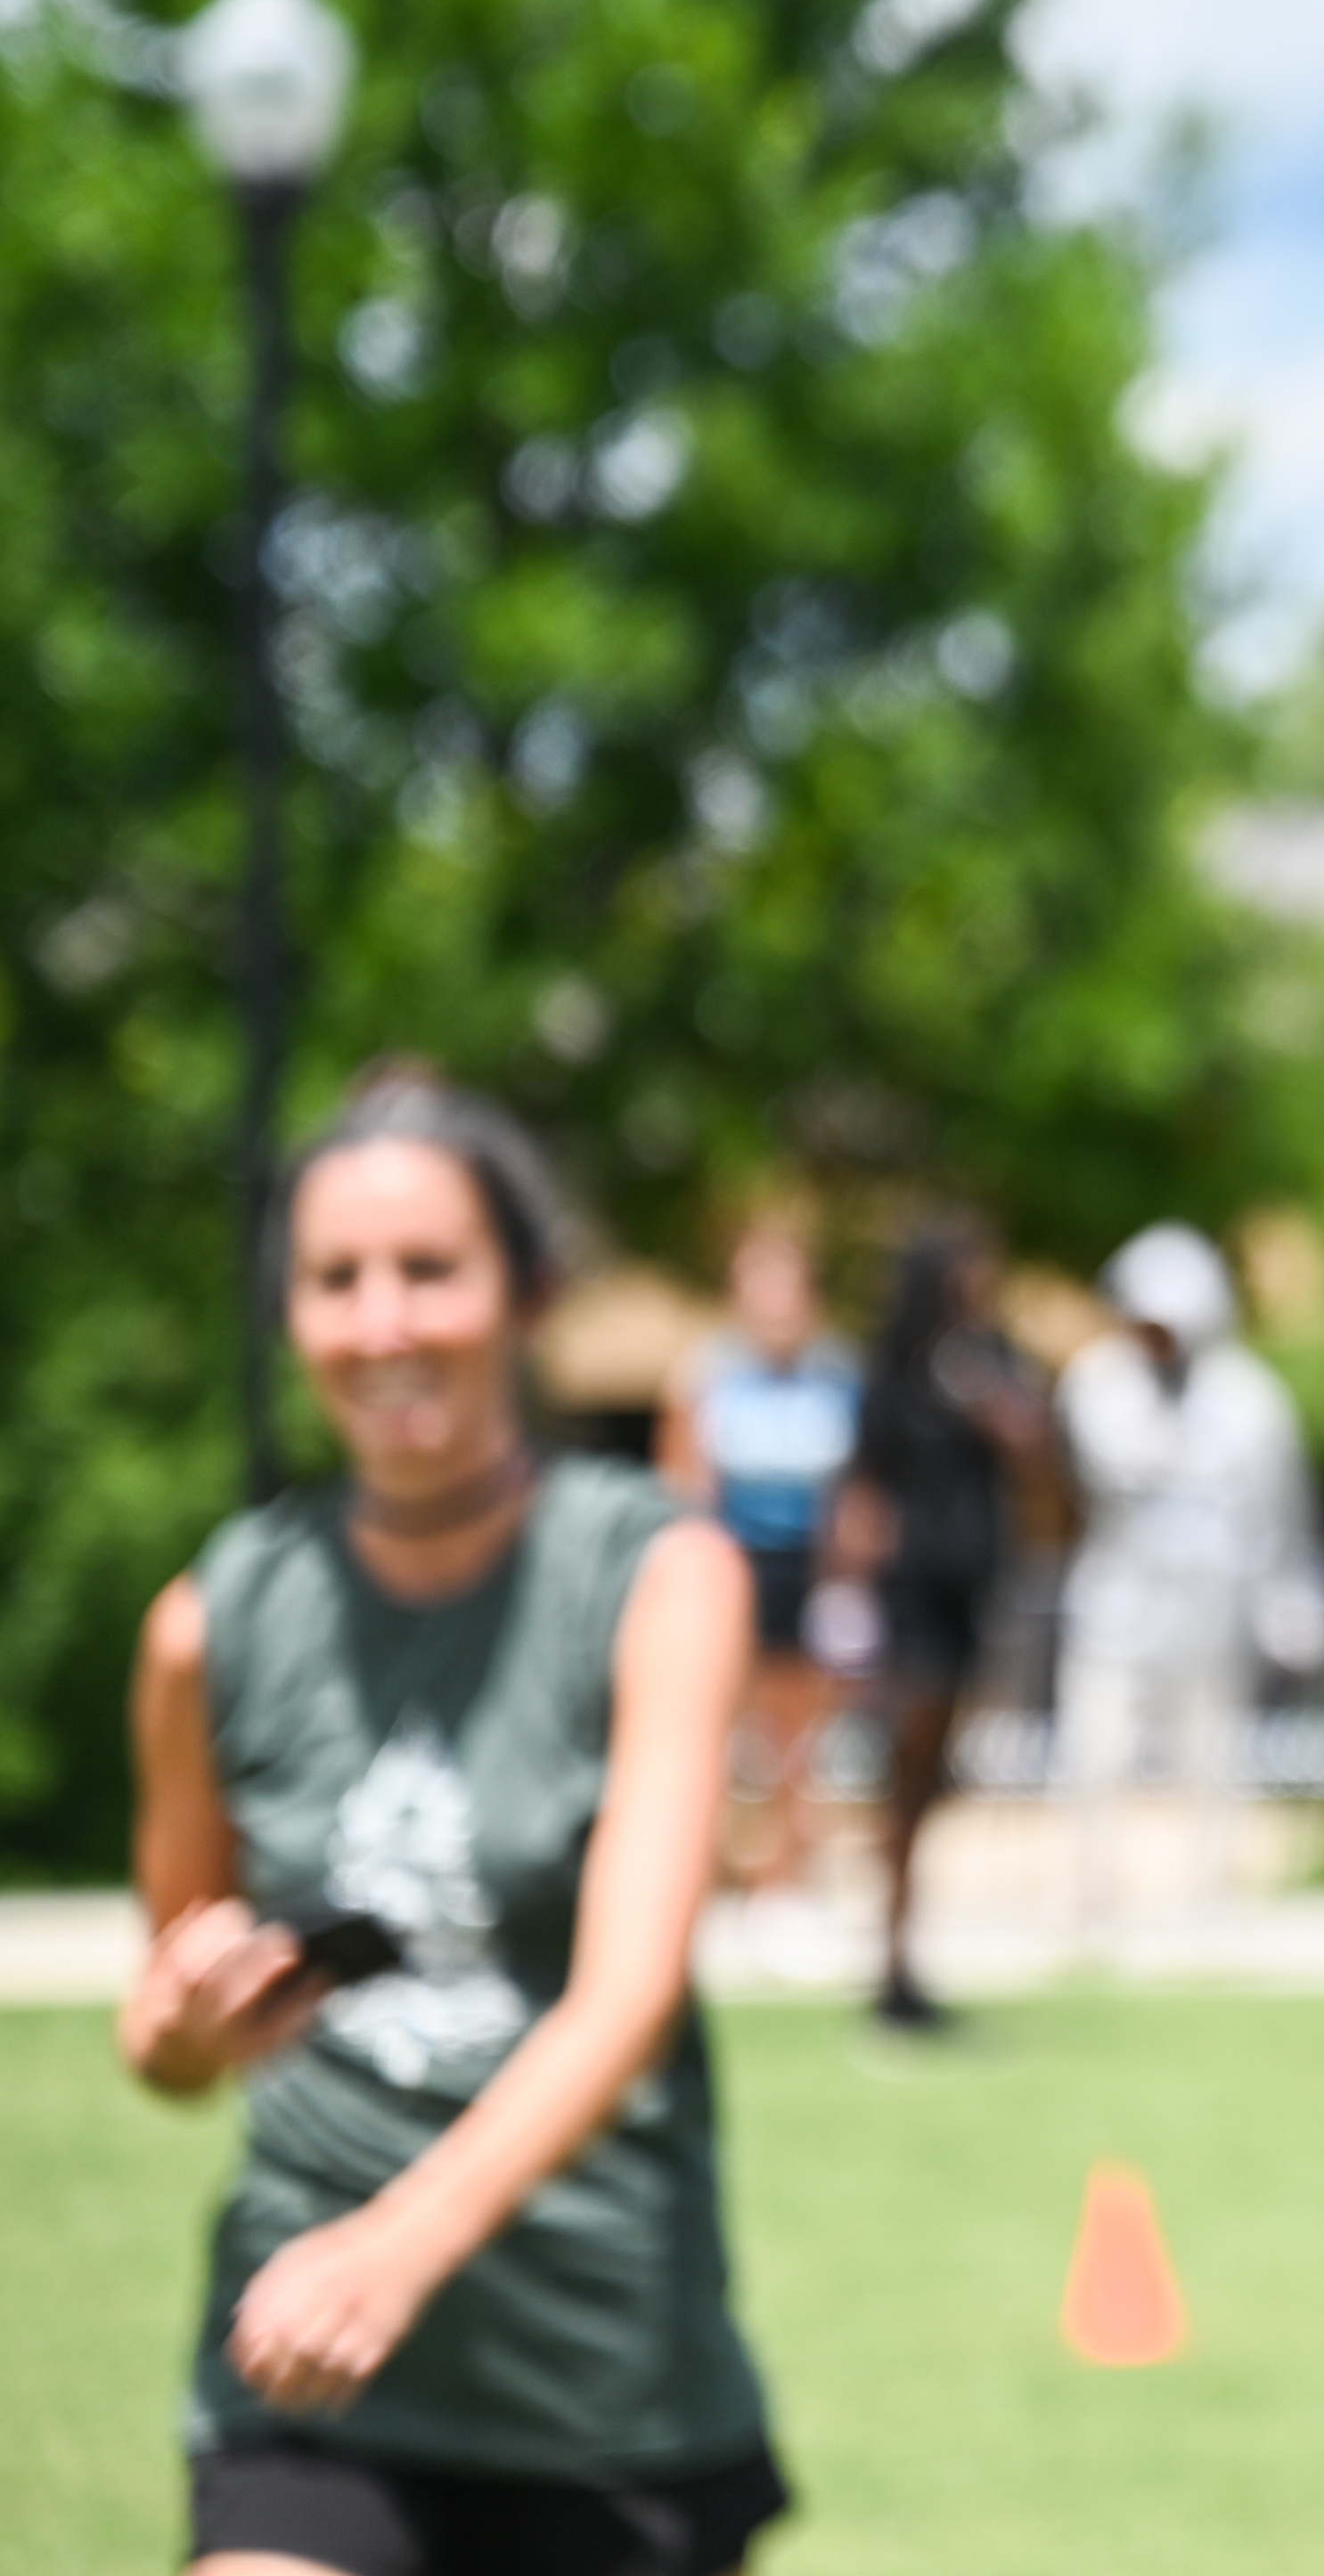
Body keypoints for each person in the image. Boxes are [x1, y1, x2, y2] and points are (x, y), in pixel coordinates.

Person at [119, 1066, 785, 2574]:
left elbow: (629, 1994)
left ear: (528, 1292)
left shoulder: (657, 1576)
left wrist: (399, 2246)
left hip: (598, 2382)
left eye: (430, 1268)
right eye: (336, 1279)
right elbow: (165, 2031)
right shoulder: (210, 1623)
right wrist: (191, 2026)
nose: (384, 1322)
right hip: (304, 2369)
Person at [1054, 1223, 1324, 1945]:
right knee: (1097, 1753)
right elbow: (1110, 1465)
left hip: (1213, 1610)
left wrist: (1292, 1599)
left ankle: (1208, 1895)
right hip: (1119, 1608)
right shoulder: (1098, 1383)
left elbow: (1284, 1510)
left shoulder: (1250, 1398)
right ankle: (1093, 1896)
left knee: (1211, 1756)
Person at [834, 1216, 1045, 2032]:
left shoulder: (991, 1362)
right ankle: (891, 1959)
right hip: (911, 1597)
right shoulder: (896, 1374)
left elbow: (1033, 1447)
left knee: (936, 1776)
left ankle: (905, 1954)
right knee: (910, 1775)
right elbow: (864, 1488)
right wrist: (848, 1597)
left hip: (973, 1592)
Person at [654, 1215, 861, 1898]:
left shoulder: (837, 1375)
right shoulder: (705, 1375)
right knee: (724, 1727)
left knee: (800, 1736)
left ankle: (787, 1875)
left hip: (810, 1567)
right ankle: (712, 1873)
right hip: (730, 1565)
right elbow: (681, 1485)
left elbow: (854, 1491)